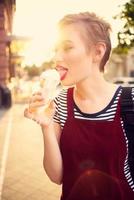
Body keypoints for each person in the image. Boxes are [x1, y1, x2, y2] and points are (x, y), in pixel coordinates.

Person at [24, 11, 134, 200]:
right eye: (56, 50)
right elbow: (56, 176)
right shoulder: (59, 104)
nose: (57, 57)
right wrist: (46, 126)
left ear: (98, 52)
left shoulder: (130, 100)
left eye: (67, 48)